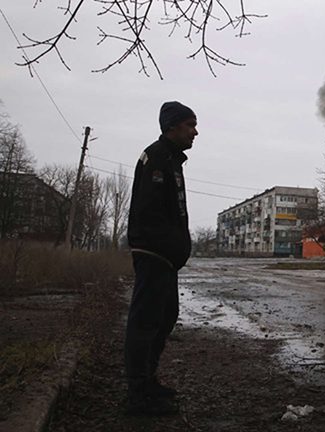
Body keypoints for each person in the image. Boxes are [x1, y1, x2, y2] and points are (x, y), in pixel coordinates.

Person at [124, 101, 197, 416]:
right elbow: (150, 213)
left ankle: (148, 381)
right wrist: (171, 247)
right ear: (172, 126)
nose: (196, 131)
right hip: (154, 254)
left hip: (163, 258)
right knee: (145, 321)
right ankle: (138, 395)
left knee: (165, 316)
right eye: (190, 125)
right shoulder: (156, 158)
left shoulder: (170, 160)